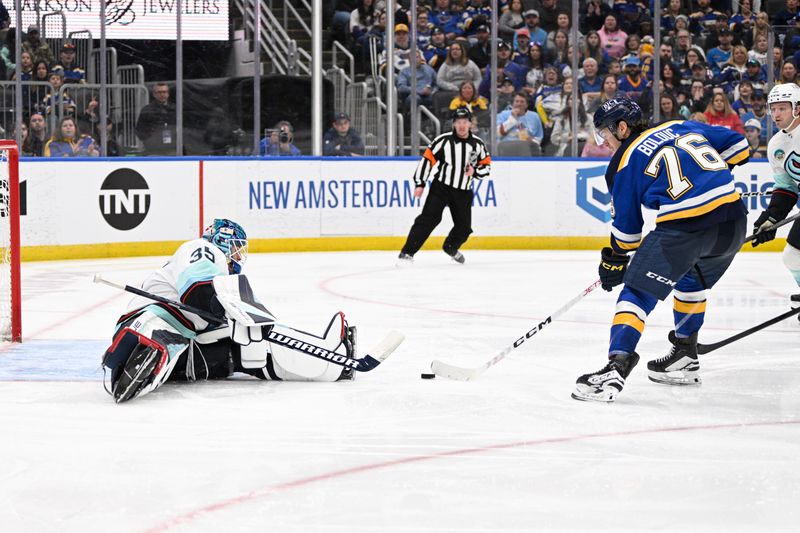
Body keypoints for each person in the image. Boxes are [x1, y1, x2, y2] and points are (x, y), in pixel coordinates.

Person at [99, 219, 397, 403]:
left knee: (250, 348)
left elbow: (207, 305)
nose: (239, 257)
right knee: (229, 333)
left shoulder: (219, 273)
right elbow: (197, 292)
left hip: (186, 339)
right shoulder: (202, 248)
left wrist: (242, 323)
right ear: (224, 243)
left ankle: (328, 361)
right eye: (237, 249)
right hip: (152, 318)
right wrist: (232, 315)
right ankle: (145, 348)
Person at [572, 97, 751, 402]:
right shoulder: (679, 125)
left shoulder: (623, 163)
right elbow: (740, 147)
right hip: (733, 222)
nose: (604, 142)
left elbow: (628, 234)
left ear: (623, 127)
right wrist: (707, 175)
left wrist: (614, 260)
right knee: (690, 280)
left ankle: (617, 366)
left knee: (637, 291)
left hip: (686, 228)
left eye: (605, 133)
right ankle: (685, 354)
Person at [398, 107, 491, 265]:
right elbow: (427, 161)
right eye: (458, 122)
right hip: (441, 187)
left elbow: (487, 168)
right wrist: (420, 183)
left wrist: (475, 171)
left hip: (463, 191)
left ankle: (450, 246)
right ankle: (407, 253)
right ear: (453, 124)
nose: (461, 125)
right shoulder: (443, 141)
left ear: (470, 124)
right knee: (428, 219)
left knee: (464, 228)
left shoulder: (478, 144)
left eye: (464, 122)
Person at [750, 84, 800, 309]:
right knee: (792, 256)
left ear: (797, 108)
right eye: (774, 109)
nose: (776, 114)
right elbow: (786, 188)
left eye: (782, 108)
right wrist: (771, 217)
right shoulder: (776, 145)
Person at [135, 82, 177, 156]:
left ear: (168, 93)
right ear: (154, 94)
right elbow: (139, 130)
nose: (162, 94)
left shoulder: (176, 109)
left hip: (173, 149)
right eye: (159, 92)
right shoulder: (147, 110)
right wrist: (150, 141)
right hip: (154, 150)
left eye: (164, 92)